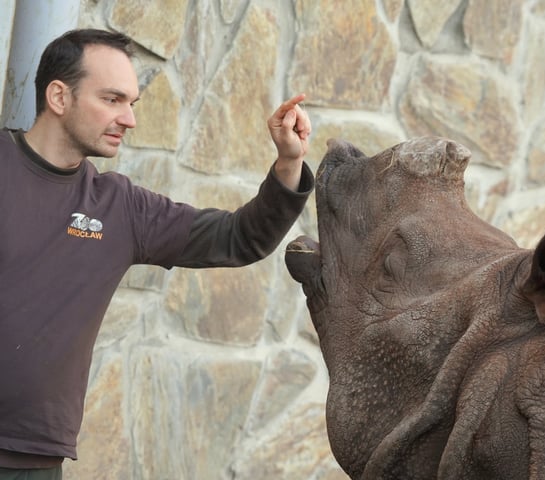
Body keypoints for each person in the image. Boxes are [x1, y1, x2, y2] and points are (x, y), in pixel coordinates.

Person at [0, 28, 314, 479]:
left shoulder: (122, 207)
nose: (128, 119)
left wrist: (288, 162)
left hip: (33, 460)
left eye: (132, 103)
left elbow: (239, 237)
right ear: (58, 96)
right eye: (112, 99)